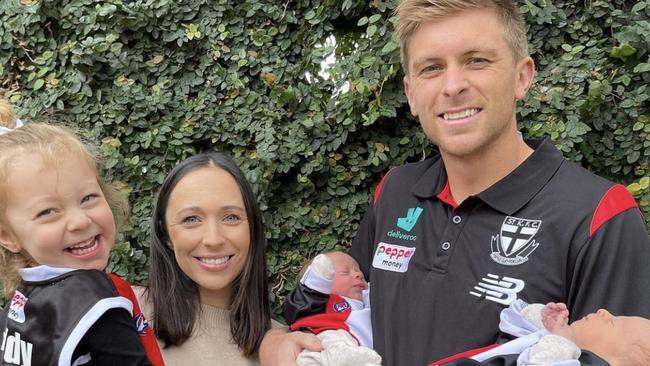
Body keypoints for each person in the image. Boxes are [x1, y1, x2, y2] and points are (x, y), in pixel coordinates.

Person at [260, 1, 650, 365]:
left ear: (522, 77)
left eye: (476, 60)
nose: (452, 86)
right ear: (411, 94)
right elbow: (345, 313)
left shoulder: (599, 214)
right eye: (431, 68)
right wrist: (276, 338)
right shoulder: (395, 190)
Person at [0, 101, 164, 366]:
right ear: (7, 236)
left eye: (88, 197)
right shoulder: (94, 299)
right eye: (48, 212)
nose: (79, 221)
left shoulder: (19, 305)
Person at [135, 151, 277, 365]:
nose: (213, 239)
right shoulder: (122, 314)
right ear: (166, 235)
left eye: (231, 217)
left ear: (252, 228)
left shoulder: (282, 351)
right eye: (191, 219)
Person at [431, 301, 650, 365]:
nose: (604, 312)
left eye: (613, 323)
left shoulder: (562, 356)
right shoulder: (558, 345)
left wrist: (561, 344)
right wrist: (541, 318)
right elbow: (511, 322)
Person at [283, 252, 380, 366]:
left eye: (359, 272)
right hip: (328, 338)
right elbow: (300, 305)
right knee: (331, 341)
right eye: (345, 272)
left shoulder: (368, 300)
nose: (358, 274)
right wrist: (315, 283)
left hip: (362, 348)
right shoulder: (320, 299)